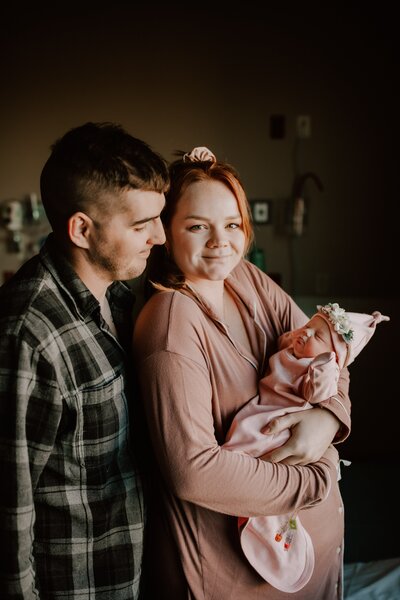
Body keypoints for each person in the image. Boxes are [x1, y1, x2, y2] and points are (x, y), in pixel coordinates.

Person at [133, 147, 352, 599]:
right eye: (198, 226)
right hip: (230, 578)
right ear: (165, 233)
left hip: (309, 562)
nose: (220, 242)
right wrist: (315, 478)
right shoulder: (170, 323)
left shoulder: (244, 280)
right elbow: (193, 471)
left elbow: (332, 351)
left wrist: (327, 417)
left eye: (232, 224)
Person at [0, 122, 169, 599]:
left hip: (129, 575)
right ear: (81, 229)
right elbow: (9, 512)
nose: (159, 236)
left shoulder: (119, 299)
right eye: (141, 225)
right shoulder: (27, 334)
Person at [223, 302, 389, 591]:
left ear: (331, 354)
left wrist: (326, 367)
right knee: (241, 433)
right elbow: (287, 335)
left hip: (281, 418)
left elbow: (321, 392)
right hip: (260, 407)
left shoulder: (318, 367)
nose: (307, 333)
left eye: (317, 336)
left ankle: (261, 517)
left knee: (251, 442)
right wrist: (302, 335)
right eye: (308, 327)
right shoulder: (294, 348)